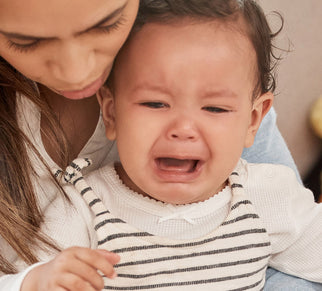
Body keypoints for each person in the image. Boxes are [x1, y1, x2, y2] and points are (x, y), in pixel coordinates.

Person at [0, 0, 319, 290]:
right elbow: (37, 278)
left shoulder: (268, 197)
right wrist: (34, 281)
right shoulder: (82, 210)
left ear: (253, 120)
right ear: (111, 112)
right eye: (155, 104)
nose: (183, 129)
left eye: (215, 109)